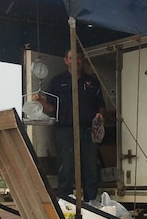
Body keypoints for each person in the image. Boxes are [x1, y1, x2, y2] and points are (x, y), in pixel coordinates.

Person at [35, 49, 105, 202]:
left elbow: (100, 105)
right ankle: (65, 205)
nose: (76, 61)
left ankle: (91, 206)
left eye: (79, 58)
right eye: (72, 58)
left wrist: (100, 115)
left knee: (90, 170)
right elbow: (50, 109)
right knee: (66, 170)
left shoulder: (92, 82)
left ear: (83, 60)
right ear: (66, 60)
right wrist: (41, 102)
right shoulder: (57, 82)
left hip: (88, 131)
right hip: (65, 131)